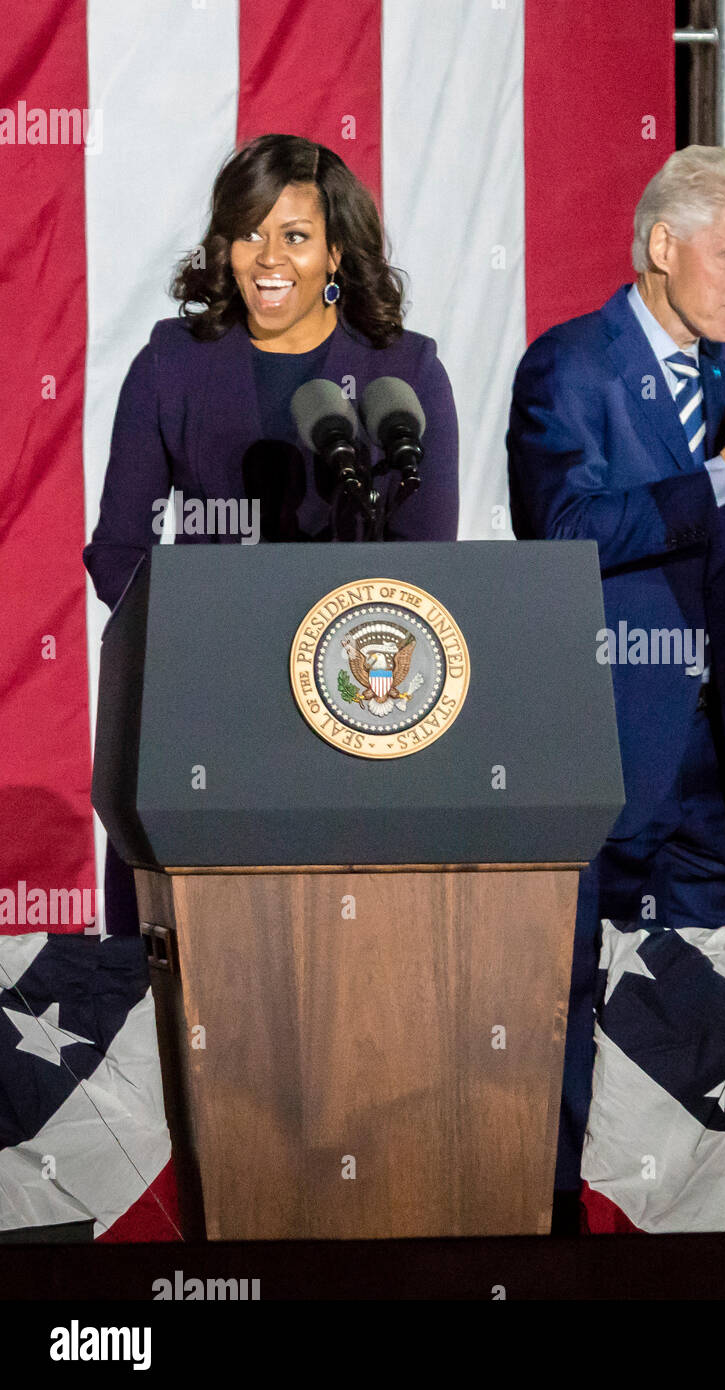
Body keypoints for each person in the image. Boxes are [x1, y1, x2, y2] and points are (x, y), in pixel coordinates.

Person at [506, 144, 725, 1216]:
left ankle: (711, 1231)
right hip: (603, 754)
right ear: (664, 247)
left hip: (720, 769)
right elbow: (560, 533)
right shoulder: (568, 366)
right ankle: (557, 1234)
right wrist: (724, 473)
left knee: (721, 1011)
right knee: (571, 1015)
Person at [85, 133, 460, 935]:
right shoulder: (171, 363)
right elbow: (117, 548)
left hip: (350, 721)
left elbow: (428, 575)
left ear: (335, 254)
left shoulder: (406, 375)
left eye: (294, 236)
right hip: (200, 711)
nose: (267, 257)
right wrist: (192, 645)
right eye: (249, 232)